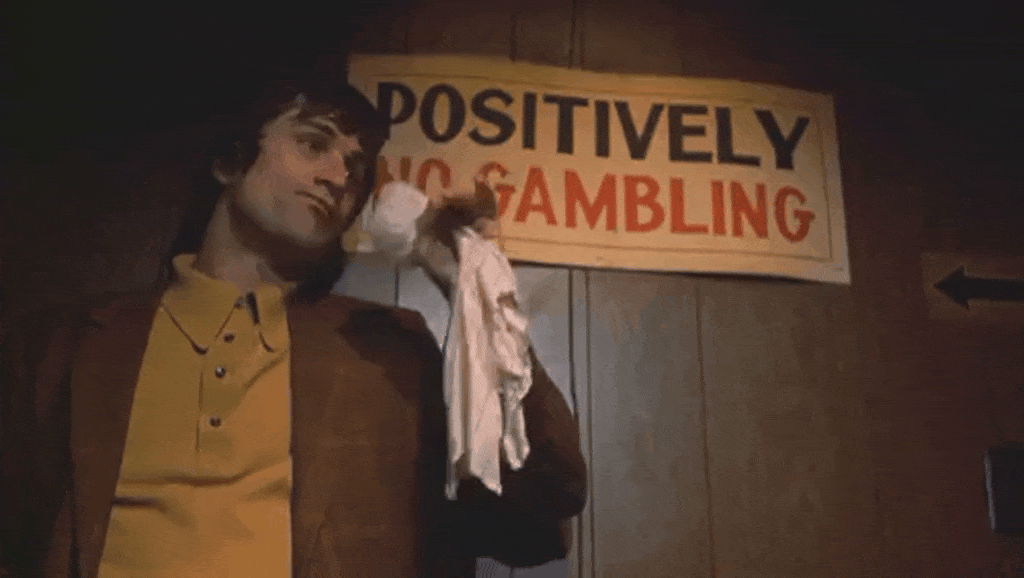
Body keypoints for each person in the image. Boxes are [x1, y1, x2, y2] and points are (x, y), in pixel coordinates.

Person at [0, 71, 586, 577]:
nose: (340, 176)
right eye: (313, 144)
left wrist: (474, 297)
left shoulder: (390, 354)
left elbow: (536, 516)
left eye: (357, 166)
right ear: (229, 161)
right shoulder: (61, 346)